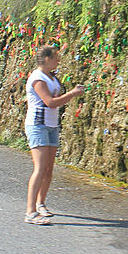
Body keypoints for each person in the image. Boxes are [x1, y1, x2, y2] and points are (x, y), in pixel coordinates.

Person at [24, 46, 84, 225]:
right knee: (40, 168)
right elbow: (50, 102)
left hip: (51, 125)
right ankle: (30, 212)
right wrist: (72, 94)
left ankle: (40, 203)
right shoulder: (37, 78)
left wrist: (71, 94)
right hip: (38, 125)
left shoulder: (52, 77)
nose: (58, 60)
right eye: (56, 58)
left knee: (49, 169)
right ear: (47, 59)